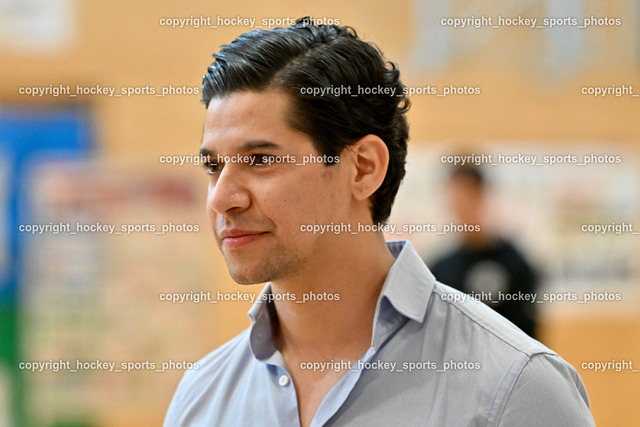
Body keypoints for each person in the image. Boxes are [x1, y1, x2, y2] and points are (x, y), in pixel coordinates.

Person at [165, 18, 594, 426]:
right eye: (213, 167)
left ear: (363, 168)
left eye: (260, 160)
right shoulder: (200, 399)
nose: (221, 198)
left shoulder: (516, 390)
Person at [430, 165, 539, 338]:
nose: (460, 206)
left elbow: (529, 332)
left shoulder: (515, 264)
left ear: (482, 195)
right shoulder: (441, 269)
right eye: (455, 198)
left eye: (467, 196)